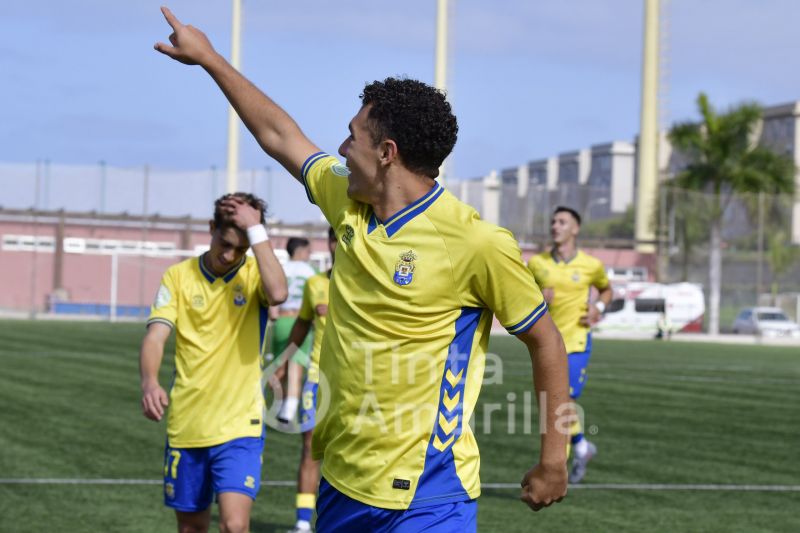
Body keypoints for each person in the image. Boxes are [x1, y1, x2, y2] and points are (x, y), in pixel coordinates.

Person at [155, 8, 569, 531]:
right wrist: (211, 60)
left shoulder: (475, 242)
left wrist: (553, 460)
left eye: (354, 137)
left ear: (387, 153)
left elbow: (545, 340)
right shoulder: (347, 202)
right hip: (343, 484)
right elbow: (280, 135)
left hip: (430, 494)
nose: (343, 149)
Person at [139, 192, 287, 533]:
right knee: (191, 528)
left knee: (234, 526)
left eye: (240, 247)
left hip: (240, 425)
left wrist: (256, 231)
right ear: (211, 228)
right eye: (224, 242)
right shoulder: (177, 277)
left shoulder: (255, 275)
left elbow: (278, 293)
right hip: (188, 424)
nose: (229, 254)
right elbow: (155, 336)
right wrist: (149, 381)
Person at [526, 206, 613, 484]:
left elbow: (607, 289)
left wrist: (598, 307)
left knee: (562, 402)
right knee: (552, 404)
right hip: (547, 344)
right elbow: (524, 296)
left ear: (575, 228)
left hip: (576, 342)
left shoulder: (591, 265)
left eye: (562, 221)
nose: (555, 226)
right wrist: (539, 297)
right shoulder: (537, 264)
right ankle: (582, 447)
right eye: (553, 221)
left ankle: (556, 474)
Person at [285, 227, 337, 533]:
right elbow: (302, 325)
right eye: (331, 238)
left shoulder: (367, 282)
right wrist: (282, 364)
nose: (334, 244)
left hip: (356, 382)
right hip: (318, 380)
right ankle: (303, 523)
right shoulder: (315, 283)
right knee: (310, 447)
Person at [271, 236, 316, 424]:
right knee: (295, 363)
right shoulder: (311, 271)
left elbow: (272, 296)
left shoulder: (281, 269)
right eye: (308, 251)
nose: (310, 254)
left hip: (281, 320)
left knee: (280, 364)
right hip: (300, 320)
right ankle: (289, 408)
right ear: (300, 251)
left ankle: (277, 403)